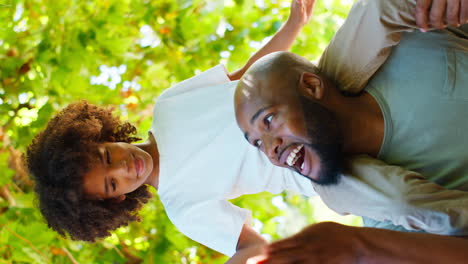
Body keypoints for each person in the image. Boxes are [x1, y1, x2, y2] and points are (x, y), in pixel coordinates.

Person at [25, 0, 467, 263]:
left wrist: (293, 24)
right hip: (325, 168)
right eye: (112, 183)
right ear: (116, 199)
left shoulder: (169, 106)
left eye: (107, 156)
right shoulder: (183, 206)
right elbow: (252, 244)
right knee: (402, 203)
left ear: (102, 134)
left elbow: (245, 76)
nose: (124, 166)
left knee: (382, 7)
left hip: (320, 90)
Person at [234, 5, 468, 264]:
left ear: (312, 86)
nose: (270, 151)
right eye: (257, 143)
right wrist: (361, 247)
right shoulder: (394, 220)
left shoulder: (413, 42)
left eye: (268, 120)